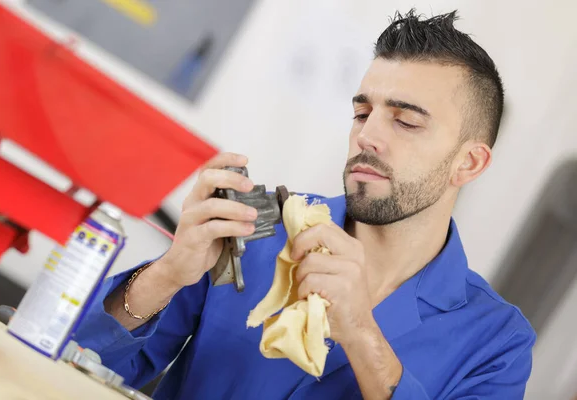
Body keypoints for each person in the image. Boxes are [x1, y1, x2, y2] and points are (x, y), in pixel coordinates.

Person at [75, 9, 536, 400]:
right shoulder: (255, 221)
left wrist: (359, 331)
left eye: (406, 122)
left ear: (469, 163)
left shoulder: (498, 341)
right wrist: (168, 275)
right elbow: (78, 357)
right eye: (362, 113)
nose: (367, 136)